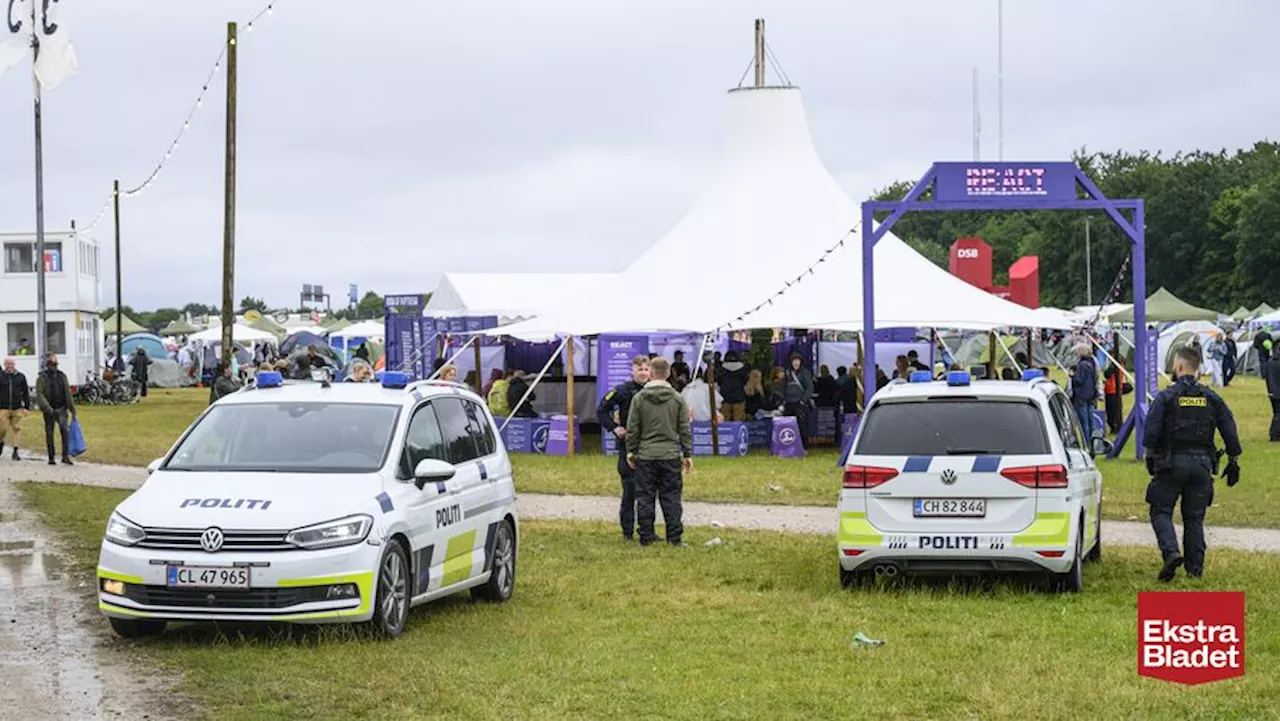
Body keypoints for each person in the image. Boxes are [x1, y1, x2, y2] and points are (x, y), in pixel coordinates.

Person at [1143, 346, 1242, 581]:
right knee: (1194, 518)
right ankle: (1194, 571)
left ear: (1178, 367)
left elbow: (1151, 431)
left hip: (1171, 464)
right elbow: (1229, 426)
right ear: (1198, 369)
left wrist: (1150, 457)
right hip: (1202, 465)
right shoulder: (1211, 397)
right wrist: (1233, 458)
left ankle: (1170, 552)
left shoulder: (1167, 396)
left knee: (1161, 510)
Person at [624, 357, 691, 547]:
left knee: (645, 497)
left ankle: (645, 537)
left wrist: (631, 451)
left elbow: (633, 427)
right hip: (670, 455)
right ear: (669, 373)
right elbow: (684, 428)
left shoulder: (639, 398)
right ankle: (675, 539)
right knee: (671, 498)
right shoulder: (677, 398)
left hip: (645, 455)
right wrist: (687, 453)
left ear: (651, 374)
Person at [596, 355, 650, 542]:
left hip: (649, 446)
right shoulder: (622, 390)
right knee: (630, 490)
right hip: (628, 447)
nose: (643, 373)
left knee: (648, 493)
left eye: (646, 370)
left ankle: (647, 531)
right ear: (632, 371)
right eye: (640, 370)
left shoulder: (654, 390)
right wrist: (614, 427)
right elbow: (601, 409)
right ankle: (627, 532)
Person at [34, 354, 75, 466]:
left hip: (62, 408)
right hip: (49, 410)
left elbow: (68, 393)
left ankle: (65, 456)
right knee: (49, 433)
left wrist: (72, 409)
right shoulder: (42, 378)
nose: (54, 367)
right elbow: (40, 395)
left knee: (65, 431)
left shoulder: (62, 376)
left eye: (55, 364)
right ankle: (51, 457)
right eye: (52, 364)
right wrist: (48, 409)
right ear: (47, 365)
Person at [1068, 343, 1099, 453]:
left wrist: (1072, 375)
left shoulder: (1082, 365)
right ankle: (1093, 442)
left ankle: (1086, 444)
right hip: (1090, 394)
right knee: (1090, 421)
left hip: (1081, 395)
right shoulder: (1092, 363)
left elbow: (1079, 380)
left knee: (1083, 422)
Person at [781, 353, 814, 448]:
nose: (795, 363)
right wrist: (784, 400)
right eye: (794, 361)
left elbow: (809, 388)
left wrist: (803, 401)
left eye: (797, 361)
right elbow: (783, 387)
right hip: (789, 403)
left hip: (800, 403)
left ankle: (803, 446)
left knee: (802, 426)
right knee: (787, 425)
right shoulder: (787, 373)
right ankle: (788, 445)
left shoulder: (805, 373)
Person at [0, 357, 31, 460]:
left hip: (17, 407)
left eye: (12, 364)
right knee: (2, 429)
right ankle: (1, 442)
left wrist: (26, 407)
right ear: (4, 365)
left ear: (14, 365)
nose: (10, 366)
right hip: (3, 407)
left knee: (17, 429)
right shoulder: (1, 376)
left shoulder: (20, 377)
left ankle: (15, 451)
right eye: (8, 364)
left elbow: (25, 392)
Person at [717, 351, 749, 421]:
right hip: (739, 397)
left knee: (725, 421)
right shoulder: (743, 369)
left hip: (725, 396)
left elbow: (719, 382)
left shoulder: (721, 369)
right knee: (738, 420)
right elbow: (745, 381)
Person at [1103, 360, 1125, 436]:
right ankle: (1117, 426)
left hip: (1112, 390)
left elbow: (1107, 374)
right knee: (1117, 410)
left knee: (1111, 411)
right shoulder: (1120, 364)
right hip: (1116, 390)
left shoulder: (1115, 365)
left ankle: (1114, 427)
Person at [1268, 344, 1280, 442]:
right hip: (1278, 392)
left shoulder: (1271, 362)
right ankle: (1275, 435)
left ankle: (1275, 434)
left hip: (1272, 391)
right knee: (1278, 414)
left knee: (1276, 413)